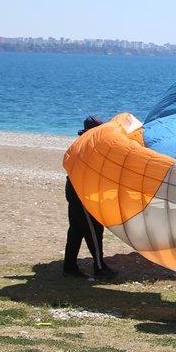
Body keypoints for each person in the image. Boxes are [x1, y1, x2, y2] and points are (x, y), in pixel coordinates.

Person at [64, 115, 116, 278]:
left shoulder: (81, 143)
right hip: (81, 192)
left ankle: (69, 266)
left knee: (76, 230)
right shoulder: (89, 146)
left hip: (74, 189)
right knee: (94, 229)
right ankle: (100, 268)